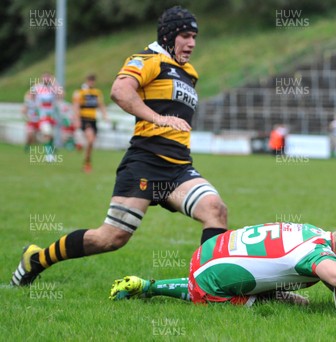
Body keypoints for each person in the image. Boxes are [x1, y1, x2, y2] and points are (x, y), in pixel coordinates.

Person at [11, 6, 228, 286]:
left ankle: (211, 287)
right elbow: (120, 91)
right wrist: (159, 118)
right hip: (145, 163)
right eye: (185, 36)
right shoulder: (148, 59)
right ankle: (37, 259)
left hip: (178, 169)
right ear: (168, 36)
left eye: (195, 37)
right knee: (110, 238)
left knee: (215, 210)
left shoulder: (189, 73)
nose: (192, 43)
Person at [109, 221, 336, 311]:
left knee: (297, 297)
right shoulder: (315, 255)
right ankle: (154, 288)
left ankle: (145, 286)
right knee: (286, 306)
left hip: (211, 250)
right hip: (212, 275)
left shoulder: (316, 233)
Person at [72, 74, 108, 172]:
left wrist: (105, 115)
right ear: (87, 81)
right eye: (90, 80)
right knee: (90, 139)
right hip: (84, 118)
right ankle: (86, 161)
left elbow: (101, 105)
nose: (92, 82)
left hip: (93, 120)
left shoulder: (96, 92)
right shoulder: (80, 92)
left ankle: (86, 160)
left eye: (93, 80)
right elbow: (76, 106)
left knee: (91, 143)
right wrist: (77, 119)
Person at [23, 72, 62, 161]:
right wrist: (31, 105)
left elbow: (61, 95)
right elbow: (28, 96)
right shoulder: (37, 87)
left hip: (51, 117)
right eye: (45, 77)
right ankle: (48, 155)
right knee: (47, 133)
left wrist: (55, 83)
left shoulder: (53, 88)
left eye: (49, 77)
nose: (47, 79)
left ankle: (51, 151)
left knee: (51, 135)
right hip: (42, 116)